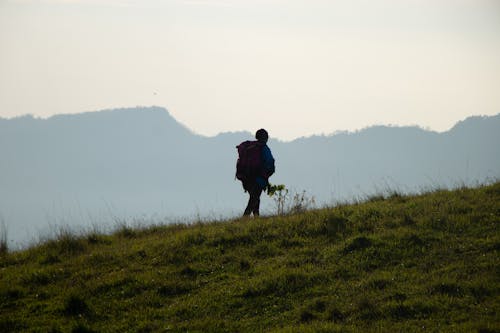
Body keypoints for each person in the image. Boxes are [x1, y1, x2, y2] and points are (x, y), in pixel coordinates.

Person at [241, 129, 275, 217]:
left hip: (246, 178)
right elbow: (269, 162)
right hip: (258, 179)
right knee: (254, 199)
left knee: (255, 198)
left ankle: (256, 217)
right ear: (266, 138)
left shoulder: (250, 147)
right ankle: (244, 219)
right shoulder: (264, 148)